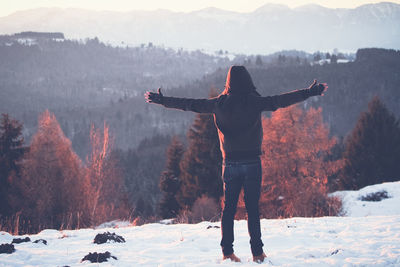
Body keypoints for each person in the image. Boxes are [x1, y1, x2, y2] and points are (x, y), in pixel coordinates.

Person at [145, 65, 327, 263]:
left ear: (228, 82)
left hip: (230, 163)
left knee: (229, 209)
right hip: (252, 163)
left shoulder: (218, 104)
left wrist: (162, 100)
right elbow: (280, 100)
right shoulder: (255, 102)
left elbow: (190, 104)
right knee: (252, 209)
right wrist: (309, 92)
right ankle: (257, 253)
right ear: (248, 80)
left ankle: (227, 252)